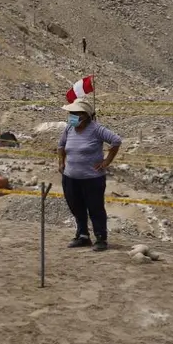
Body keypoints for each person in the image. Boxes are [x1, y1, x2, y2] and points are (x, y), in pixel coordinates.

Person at [57, 97, 121, 251]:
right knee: (76, 206)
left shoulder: (96, 129)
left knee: (95, 208)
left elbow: (116, 141)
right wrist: (61, 162)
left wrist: (106, 161)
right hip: (70, 177)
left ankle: (101, 238)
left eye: (74, 113)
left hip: (92, 178)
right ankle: (83, 236)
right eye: (70, 113)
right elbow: (61, 145)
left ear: (85, 115)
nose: (71, 116)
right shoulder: (69, 128)